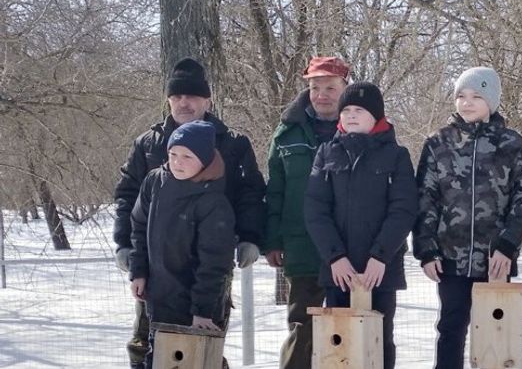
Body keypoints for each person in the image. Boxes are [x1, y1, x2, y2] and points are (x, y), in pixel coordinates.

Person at [113, 58, 267, 367]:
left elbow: (251, 193)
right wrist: (126, 247)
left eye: (192, 96)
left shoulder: (233, 143)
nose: (184, 103)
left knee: (201, 342)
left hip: (209, 265)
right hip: (157, 269)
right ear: (168, 100)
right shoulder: (148, 144)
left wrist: (250, 237)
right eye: (177, 96)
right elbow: (129, 198)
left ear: (208, 100)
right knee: (147, 345)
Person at [412, 67, 522, 369]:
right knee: (450, 328)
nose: (466, 103)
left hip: (495, 259)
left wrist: (508, 245)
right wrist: (426, 250)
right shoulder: (438, 143)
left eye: (476, 96)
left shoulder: (511, 143)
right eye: (460, 96)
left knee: (496, 332)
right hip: (449, 260)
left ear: (492, 101)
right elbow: (424, 200)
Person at [304, 82, 418, 369]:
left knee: (379, 340)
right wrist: (335, 257)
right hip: (338, 272)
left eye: (359, 110)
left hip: (379, 271)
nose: (351, 115)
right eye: (347, 110)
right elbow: (315, 209)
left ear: (376, 116)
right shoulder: (326, 153)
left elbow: (403, 210)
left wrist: (381, 256)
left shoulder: (397, 156)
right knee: (339, 342)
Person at [263, 56, 350, 369]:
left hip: (349, 250)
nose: (322, 94)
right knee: (302, 328)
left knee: (346, 332)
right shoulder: (287, 133)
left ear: (345, 88)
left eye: (330, 87)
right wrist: (272, 239)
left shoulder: (359, 127)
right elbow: (275, 190)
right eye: (315, 87)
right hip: (302, 248)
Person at [129, 120, 236, 369]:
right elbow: (138, 227)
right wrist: (139, 271)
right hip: (159, 295)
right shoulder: (155, 182)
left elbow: (214, 263)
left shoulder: (213, 202)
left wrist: (202, 310)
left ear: (204, 159)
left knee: (198, 360)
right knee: (160, 359)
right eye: (173, 154)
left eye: (187, 156)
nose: (178, 162)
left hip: (197, 303)